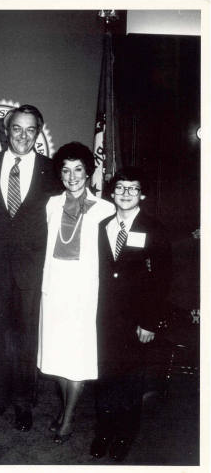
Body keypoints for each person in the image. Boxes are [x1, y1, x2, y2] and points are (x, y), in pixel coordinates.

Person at [0, 104, 61, 431]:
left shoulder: (53, 170)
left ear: (38, 133)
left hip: (32, 270)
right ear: (5, 130)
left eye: (30, 130)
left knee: (26, 340)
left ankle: (24, 405)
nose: (23, 136)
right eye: (17, 129)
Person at [90, 166, 172, 461]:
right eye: (121, 188)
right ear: (112, 193)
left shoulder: (154, 228)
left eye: (132, 189)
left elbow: (163, 279)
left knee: (130, 379)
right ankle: (104, 431)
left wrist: (149, 321)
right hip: (104, 319)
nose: (126, 193)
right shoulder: (102, 226)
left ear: (142, 194)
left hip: (136, 320)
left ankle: (125, 435)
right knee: (104, 377)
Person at [37, 142, 115, 443]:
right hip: (55, 287)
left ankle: (68, 418)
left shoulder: (105, 208)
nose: (72, 176)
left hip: (84, 291)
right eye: (66, 170)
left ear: (88, 171)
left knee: (78, 355)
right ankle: (65, 408)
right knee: (57, 354)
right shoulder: (51, 204)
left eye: (78, 169)